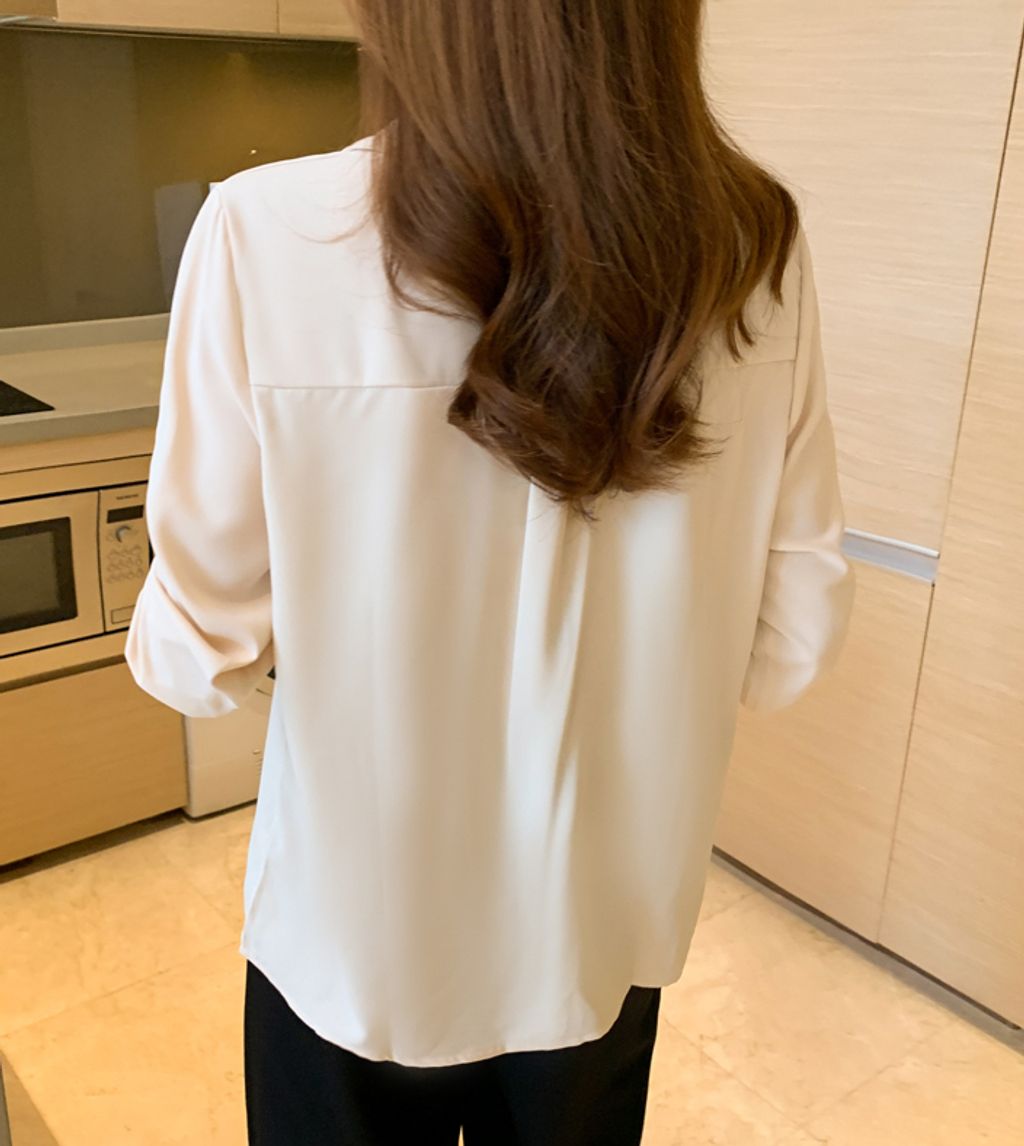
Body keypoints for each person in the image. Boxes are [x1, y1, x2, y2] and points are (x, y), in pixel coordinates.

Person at [125, 1, 855, 1142]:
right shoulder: (756, 246)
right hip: (600, 931)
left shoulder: (261, 232)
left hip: (357, 939)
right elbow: (793, 638)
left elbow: (193, 658)